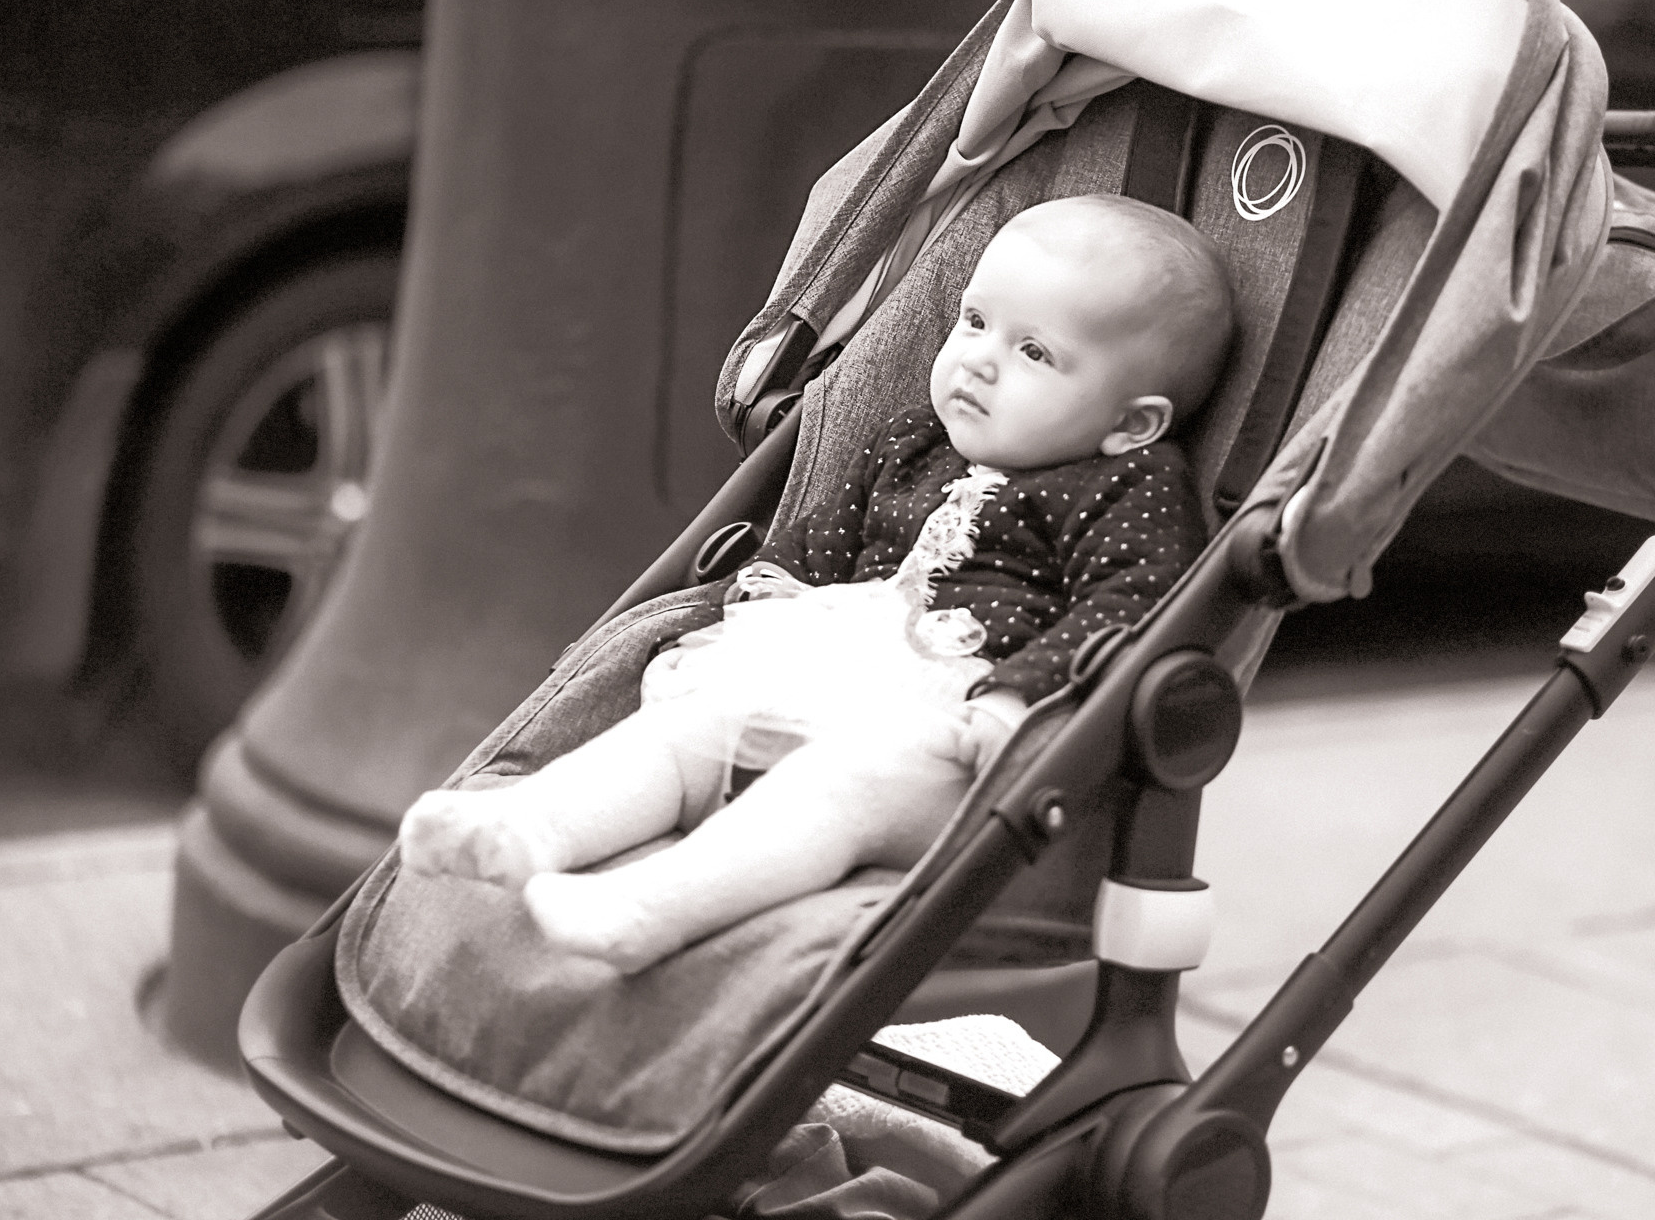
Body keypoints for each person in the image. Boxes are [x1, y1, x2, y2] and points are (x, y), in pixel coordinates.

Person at [397, 193, 1236, 972]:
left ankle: (652, 908)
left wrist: (1019, 699)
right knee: (687, 728)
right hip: (825, 684)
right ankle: (532, 827)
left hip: (954, 751)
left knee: (841, 785)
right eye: (976, 322)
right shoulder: (912, 443)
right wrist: (771, 591)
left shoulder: (1126, 488)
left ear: (1132, 423)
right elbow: (821, 545)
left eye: (1034, 352)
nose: (978, 362)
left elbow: (1132, 605)